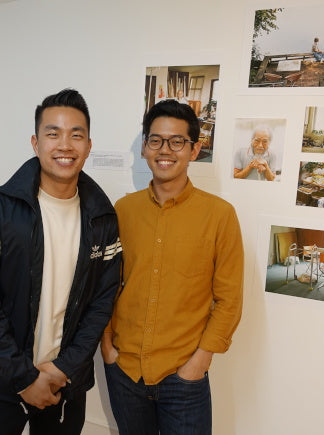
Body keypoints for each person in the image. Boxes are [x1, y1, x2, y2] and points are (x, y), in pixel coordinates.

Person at [0, 88, 122, 435]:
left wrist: (62, 369)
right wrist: (24, 378)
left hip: (65, 380)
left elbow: (102, 302)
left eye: (76, 135)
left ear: (88, 146)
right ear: (36, 143)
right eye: (53, 133)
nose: (65, 145)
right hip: (0, 378)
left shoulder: (103, 218)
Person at [101, 99, 244, 435]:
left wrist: (201, 360)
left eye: (177, 141)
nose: (165, 150)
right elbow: (106, 286)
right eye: (156, 140)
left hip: (184, 375)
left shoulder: (220, 215)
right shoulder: (123, 210)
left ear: (193, 150)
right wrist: (107, 346)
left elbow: (229, 299)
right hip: (124, 370)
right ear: (145, 148)